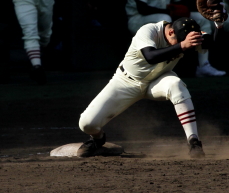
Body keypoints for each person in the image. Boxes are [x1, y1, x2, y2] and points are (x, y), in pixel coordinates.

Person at [77, 16, 207, 158]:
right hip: (125, 82)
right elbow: (150, 56)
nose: (183, 44)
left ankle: (194, 142)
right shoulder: (148, 30)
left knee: (176, 85)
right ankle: (98, 139)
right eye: (179, 41)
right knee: (87, 124)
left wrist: (218, 25)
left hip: (157, 81)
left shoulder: (185, 36)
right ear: (170, 32)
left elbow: (211, 43)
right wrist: (182, 45)